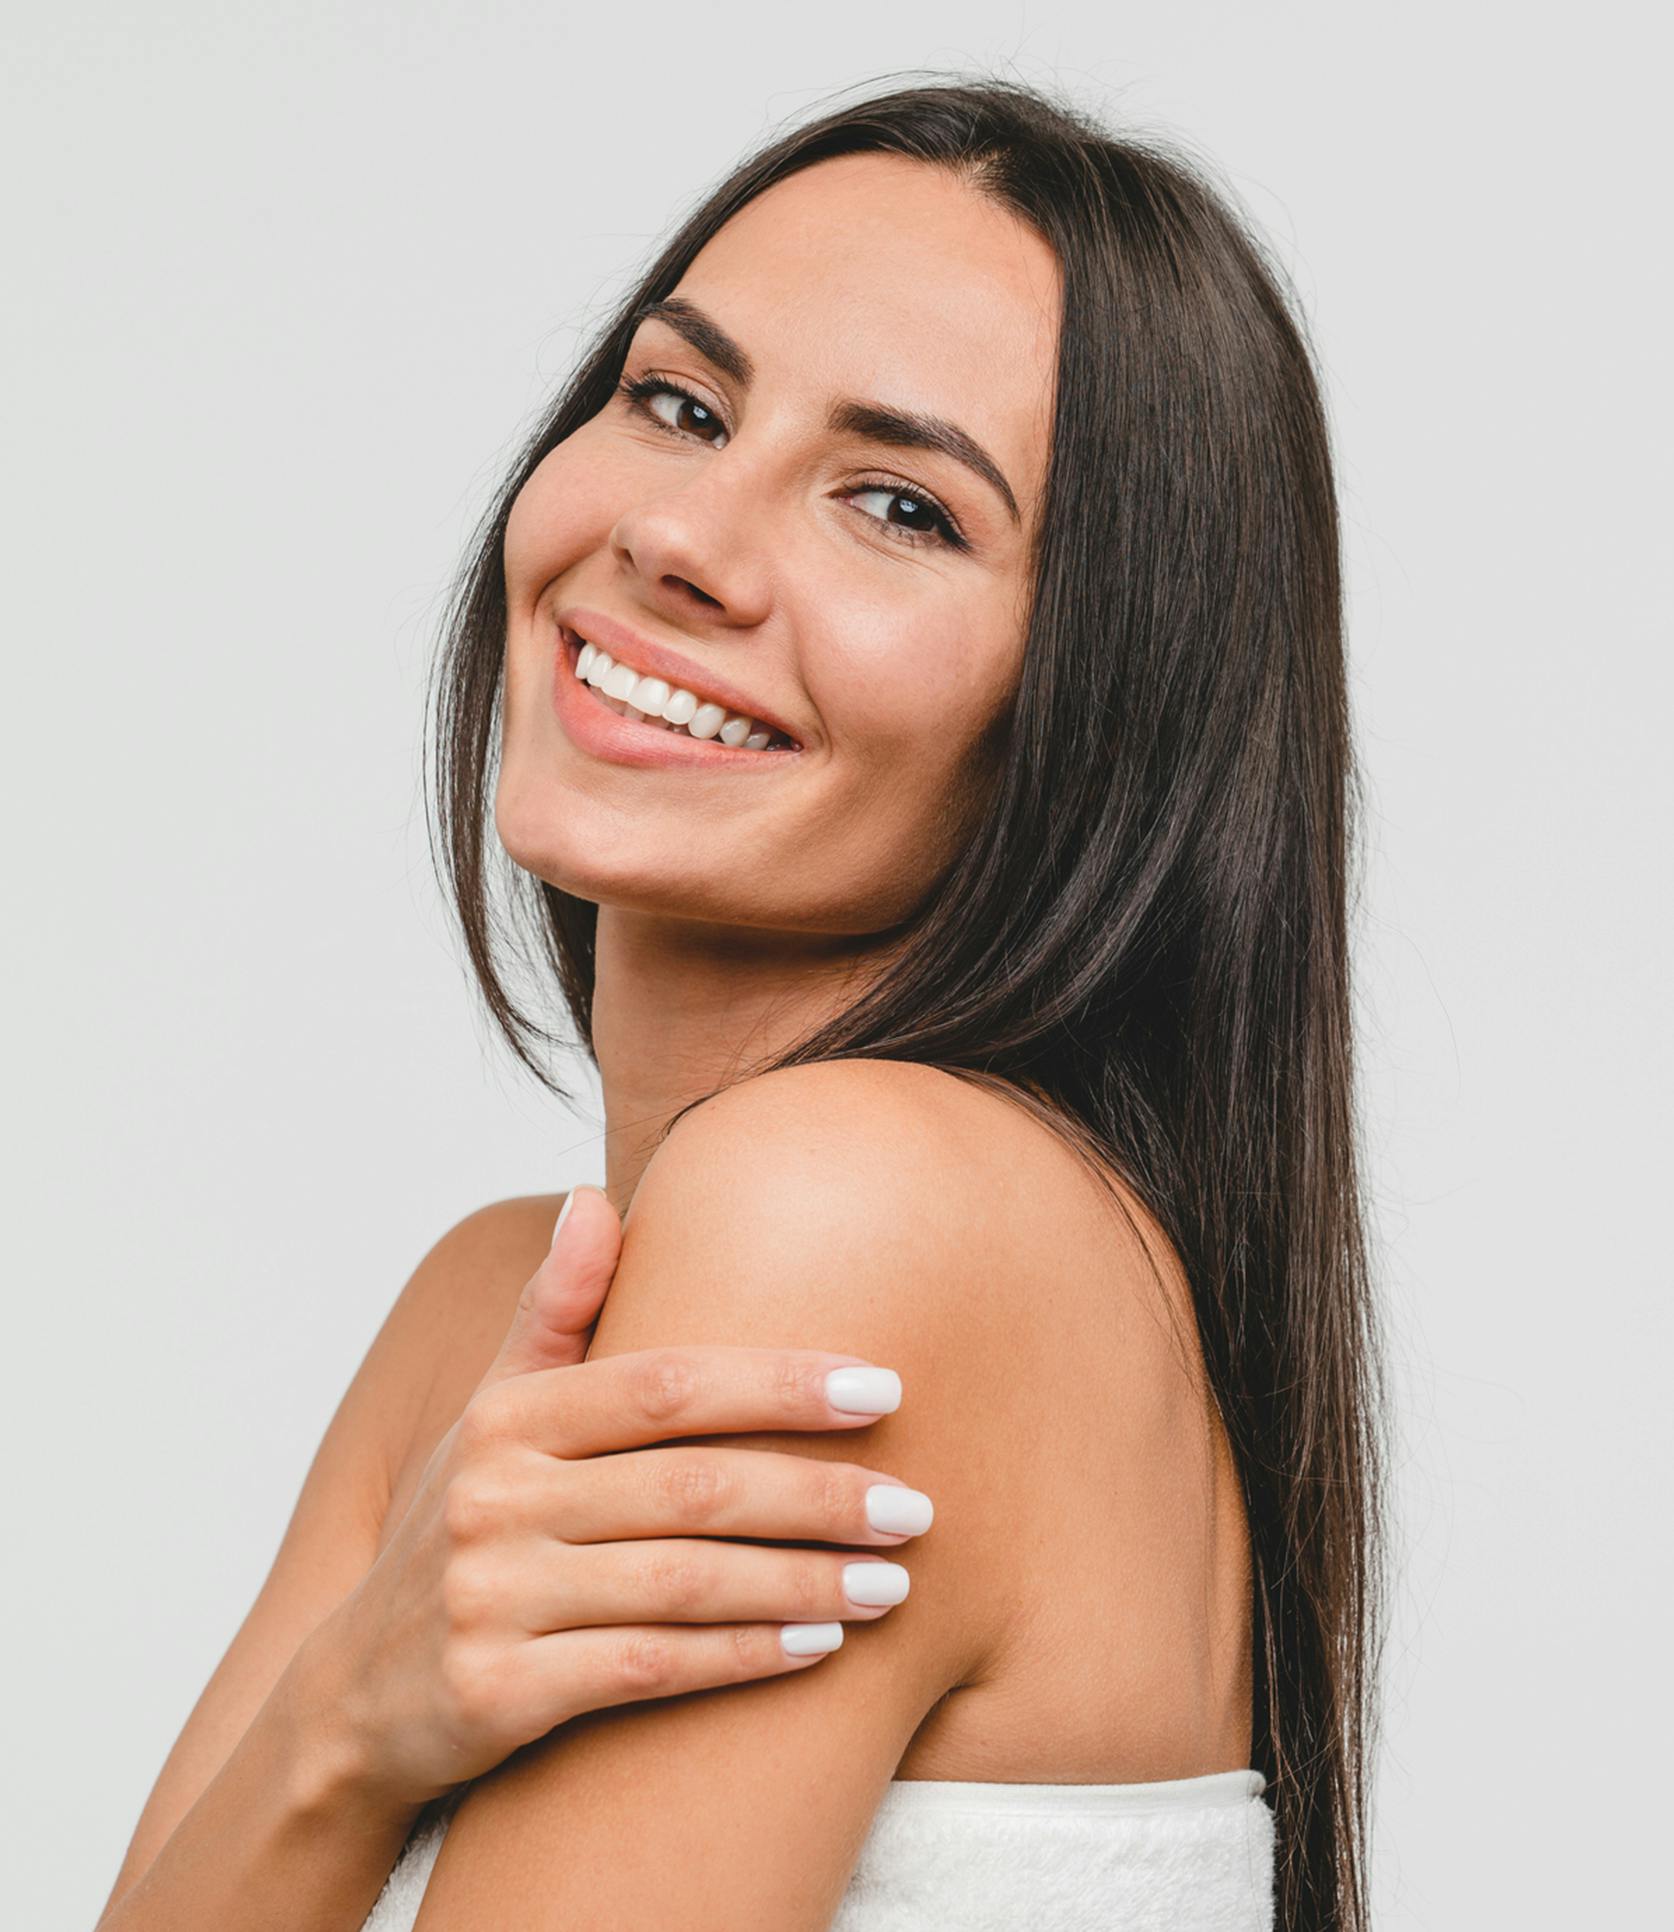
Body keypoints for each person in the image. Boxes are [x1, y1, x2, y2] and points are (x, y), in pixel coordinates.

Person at [97, 72, 1384, 1932]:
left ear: (1102, 710)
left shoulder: (848, 1216)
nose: (682, 536)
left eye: (899, 506)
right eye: (679, 403)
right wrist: (343, 1728)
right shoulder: (486, 1307)